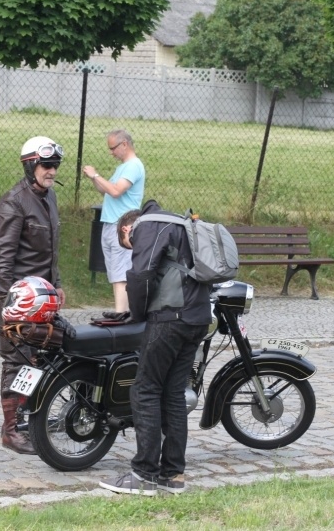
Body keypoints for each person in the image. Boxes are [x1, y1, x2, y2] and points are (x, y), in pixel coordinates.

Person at [99, 199, 211, 496]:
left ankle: (144, 475)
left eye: (128, 245)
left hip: (170, 318)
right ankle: (173, 476)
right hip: (198, 317)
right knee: (173, 394)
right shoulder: (178, 223)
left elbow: (141, 275)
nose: (132, 248)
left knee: (145, 390)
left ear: (126, 229)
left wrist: (136, 314)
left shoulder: (148, 226)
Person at [0, 136, 66, 454]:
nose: (52, 171)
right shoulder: (14, 202)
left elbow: (51, 249)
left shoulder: (50, 197)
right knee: (17, 359)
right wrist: (10, 305)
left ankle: (28, 418)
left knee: (42, 357)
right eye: (46, 165)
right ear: (31, 165)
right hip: (19, 298)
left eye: (55, 165)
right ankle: (10, 430)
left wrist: (57, 284)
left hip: (44, 296)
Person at [83, 130, 145, 313]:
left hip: (122, 226)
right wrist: (94, 179)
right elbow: (106, 190)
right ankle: (122, 313)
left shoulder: (133, 166)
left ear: (124, 144)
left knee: (121, 274)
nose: (111, 153)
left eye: (113, 148)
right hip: (111, 223)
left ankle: (121, 315)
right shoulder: (123, 167)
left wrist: (96, 175)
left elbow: (116, 191)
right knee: (115, 273)